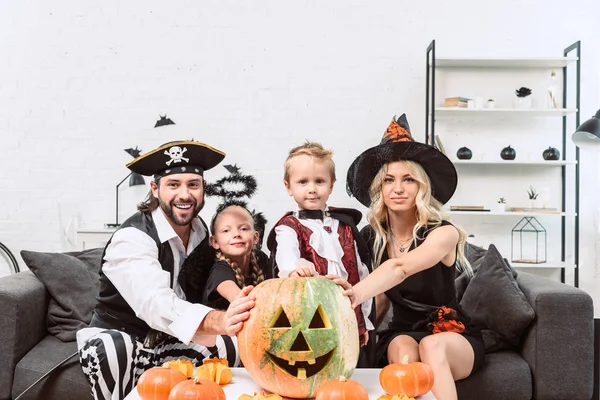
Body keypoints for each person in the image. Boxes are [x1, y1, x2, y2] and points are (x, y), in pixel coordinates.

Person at [76, 140, 255, 400]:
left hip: (171, 340)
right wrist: (219, 320)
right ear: (155, 189)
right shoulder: (133, 237)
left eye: (193, 185)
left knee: (231, 343)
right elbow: (155, 303)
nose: (185, 195)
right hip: (129, 339)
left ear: (203, 189)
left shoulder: (201, 230)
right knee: (114, 348)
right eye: (173, 185)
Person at [335, 113, 485, 400]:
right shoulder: (370, 237)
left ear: (422, 187)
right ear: (380, 188)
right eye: (389, 180)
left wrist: (352, 294)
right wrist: (354, 333)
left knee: (431, 347)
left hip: (452, 335)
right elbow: (380, 296)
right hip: (402, 331)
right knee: (404, 352)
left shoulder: (444, 233)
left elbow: (400, 268)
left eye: (408, 179)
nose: (398, 188)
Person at [266, 141, 375, 367]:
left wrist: (363, 322)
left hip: (347, 314)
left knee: (349, 367)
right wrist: (296, 266)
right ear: (288, 187)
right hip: (311, 319)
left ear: (331, 185)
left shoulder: (345, 226)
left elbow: (360, 272)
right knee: (317, 366)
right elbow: (285, 257)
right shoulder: (288, 227)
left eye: (319, 181)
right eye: (303, 182)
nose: (312, 188)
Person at [200, 200, 273, 310]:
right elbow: (240, 301)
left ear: (255, 237)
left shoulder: (260, 258)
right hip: (227, 325)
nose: (236, 234)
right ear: (215, 242)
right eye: (226, 231)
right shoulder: (220, 270)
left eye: (243, 228)